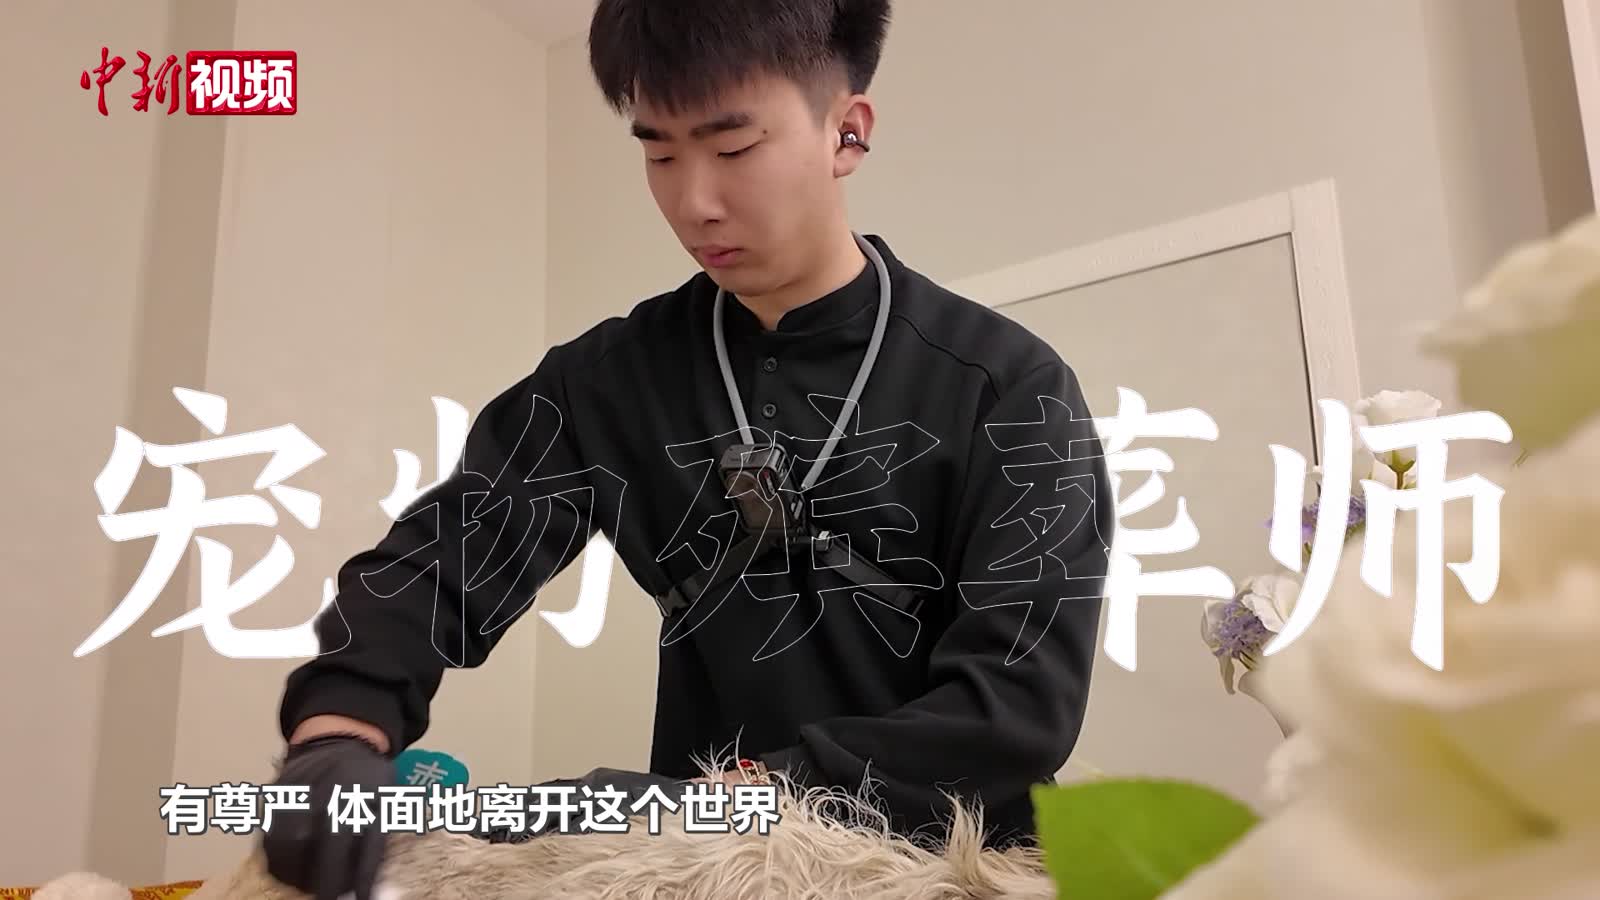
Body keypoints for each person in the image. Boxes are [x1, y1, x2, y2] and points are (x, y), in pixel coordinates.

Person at [261, 1, 1115, 897]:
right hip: (705, 874)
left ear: (848, 132)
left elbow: (1012, 711)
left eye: (733, 148)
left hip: (949, 872)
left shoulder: (1006, 387)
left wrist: (719, 800)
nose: (693, 202)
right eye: (659, 155)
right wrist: (338, 731)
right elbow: (448, 553)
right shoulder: (610, 381)